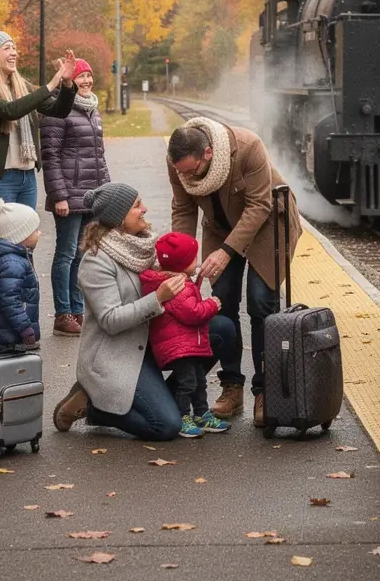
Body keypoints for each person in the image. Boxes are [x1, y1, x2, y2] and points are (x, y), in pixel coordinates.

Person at [52, 183, 239, 441]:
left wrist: (188, 273)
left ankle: (169, 397)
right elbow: (110, 321)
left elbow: (166, 281)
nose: (145, 209)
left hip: (150, 339)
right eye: (136, 206)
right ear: (119, 219)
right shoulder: (96, 261)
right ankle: (96, 408)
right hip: (118, 353)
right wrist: (158, 298)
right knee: (165, 426)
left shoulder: (142, 246)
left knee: (222, 330)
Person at [167, 118, 302, 427]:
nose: (185, 176)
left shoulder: (248, 147)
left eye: (191, 170)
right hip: (219, 226)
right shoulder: (177, 160)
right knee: (222, 302)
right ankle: (232, 387)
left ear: (209, 153)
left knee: (260, 302)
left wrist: (227, 252)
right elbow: (184, 208)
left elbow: (259, 206)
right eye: (181, 171)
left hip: (267, 223)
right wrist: (179, 262)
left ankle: (265, 390)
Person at [0, 30, 76, 334]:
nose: (14, 52)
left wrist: (66, 85)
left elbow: (58, 110)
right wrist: (51, 83)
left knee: (24, 252)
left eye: (15, 46)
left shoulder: (21, 85)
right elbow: (9, 110)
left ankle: (19, 327)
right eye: (7, 48)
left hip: (26, 177)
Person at [40, 57, 110, 337]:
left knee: (82, 255)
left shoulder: (93, 111)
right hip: (68, 196)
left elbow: (99, 159)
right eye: (81, 76)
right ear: (70, 79)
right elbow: (51, 157)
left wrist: (105, 194)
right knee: (65, 254)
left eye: (89, 76)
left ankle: (77, 311)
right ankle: (62, 314)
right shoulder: (58, 111)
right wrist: (59, 195)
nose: (87, 81)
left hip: (91, 196)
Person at [139, 232, 230, 439]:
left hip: (186, 343)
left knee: (198, 381)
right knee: (188, 383)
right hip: (180, 347)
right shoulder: (177, 287)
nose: (197, 262)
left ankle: (201, 414)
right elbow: (193, 313)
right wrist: (212, 304)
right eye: (194, 258)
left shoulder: (177, 280)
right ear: (183, 263)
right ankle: (183, 416)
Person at [0, 198, 42, 353]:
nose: (39, 233)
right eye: (34, 230)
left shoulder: (12, 258)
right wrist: (25, 328)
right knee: (9, 370)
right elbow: (10, 301)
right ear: (22, 235)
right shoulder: (13, 263)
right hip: (8, 334)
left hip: (7, 330)